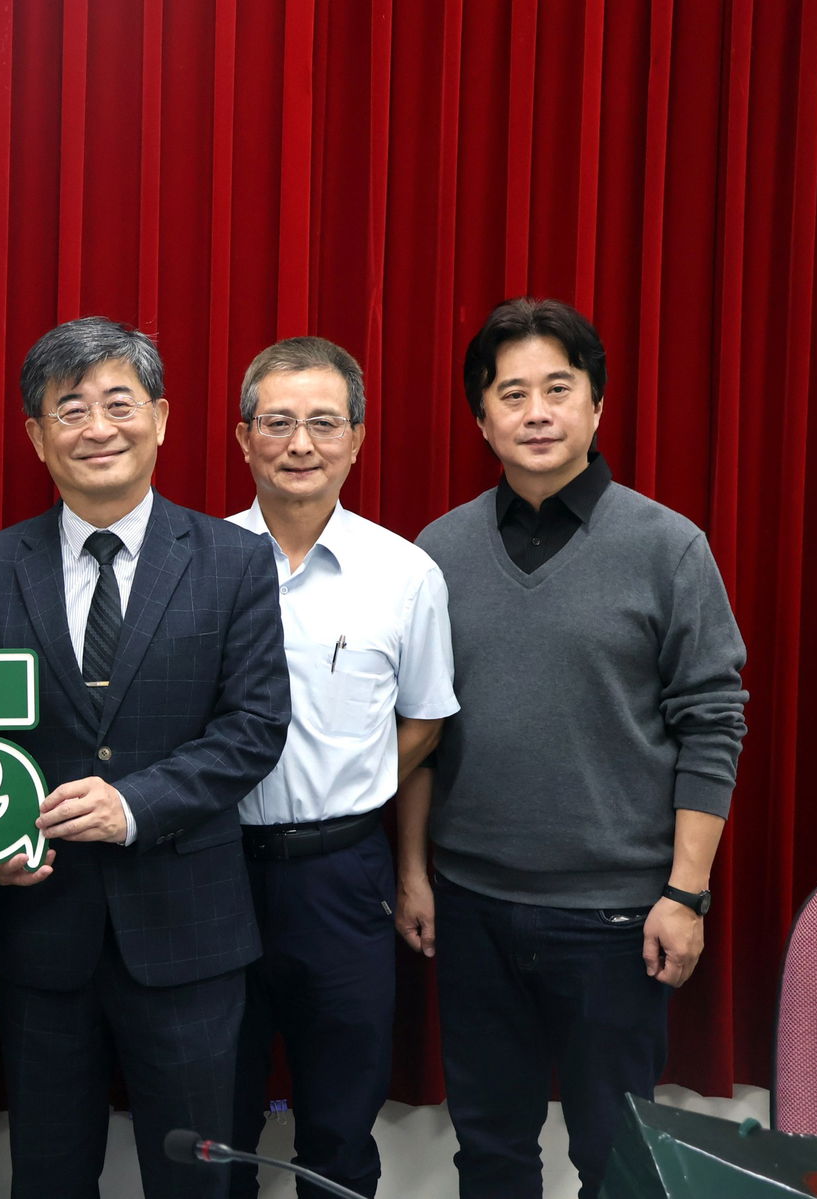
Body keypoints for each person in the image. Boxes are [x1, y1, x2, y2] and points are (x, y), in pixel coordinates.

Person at [398, 298, 748, 1198]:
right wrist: (415, 873)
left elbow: (713, 721)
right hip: (472, 908)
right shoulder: (438, 552)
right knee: (492, 1153)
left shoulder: (669, 547)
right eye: (511, 394)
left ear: (597, 404)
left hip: (615, 919)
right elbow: (418, 732)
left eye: (559, 387)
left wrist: (685, 892)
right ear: (483, 420)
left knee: (616, 1159)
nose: (537, 411)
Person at [0, 316, 291, 1198]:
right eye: (70, 408)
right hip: (41, 934)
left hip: (189, 934)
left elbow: (255, 725)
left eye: (118, 402)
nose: (97, 427)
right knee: (49, 1177)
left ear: (163, 417)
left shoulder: (235, 560)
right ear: (36, 434)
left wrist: (134, 804)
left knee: (195, 1180)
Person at [224, 338, 457, 1198]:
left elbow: (428, 719)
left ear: (358, 438)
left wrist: (397, 847)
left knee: (341, 1125)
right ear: (241, 436)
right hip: (214, 873)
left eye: (324, 423)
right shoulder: (194, 562)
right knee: (218, 1119)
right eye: (278, 422)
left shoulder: (406, 573)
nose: (300, 444)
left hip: (343, 875)